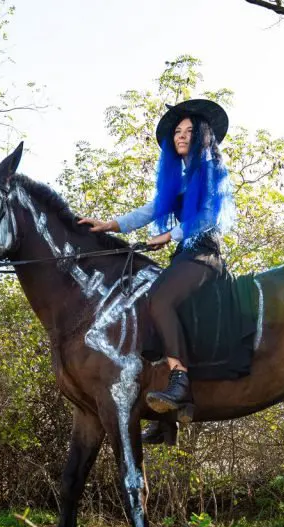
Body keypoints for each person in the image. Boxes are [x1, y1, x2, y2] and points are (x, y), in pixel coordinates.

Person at [79, 99, 236, 442]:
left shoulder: (211, 170)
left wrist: (169, 234)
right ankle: (166, 417)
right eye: (177, 132)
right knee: (149, 312)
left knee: (160, 300)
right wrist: (109, 225)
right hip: (185, 256)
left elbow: (207, 219)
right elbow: (150, 210)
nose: (181, 136)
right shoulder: (179, 181)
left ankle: (180, 380)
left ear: (204, 136)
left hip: (206, 256)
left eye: (189, 131)